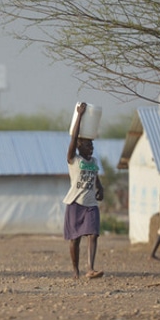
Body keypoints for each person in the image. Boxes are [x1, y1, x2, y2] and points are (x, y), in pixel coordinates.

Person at [63, 102, 105, 279]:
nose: (91, 148)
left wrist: (100, 187)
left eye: (92, 145)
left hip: (90, 203)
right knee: (75, 240)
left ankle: (90, 268)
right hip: (75, 203)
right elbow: (73, 139)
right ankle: (75, 270)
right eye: (88, 145)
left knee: (93, 234)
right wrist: (79, 115)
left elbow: (95, 175)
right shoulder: (73, 159)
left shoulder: (94, 161)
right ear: (80, 146)